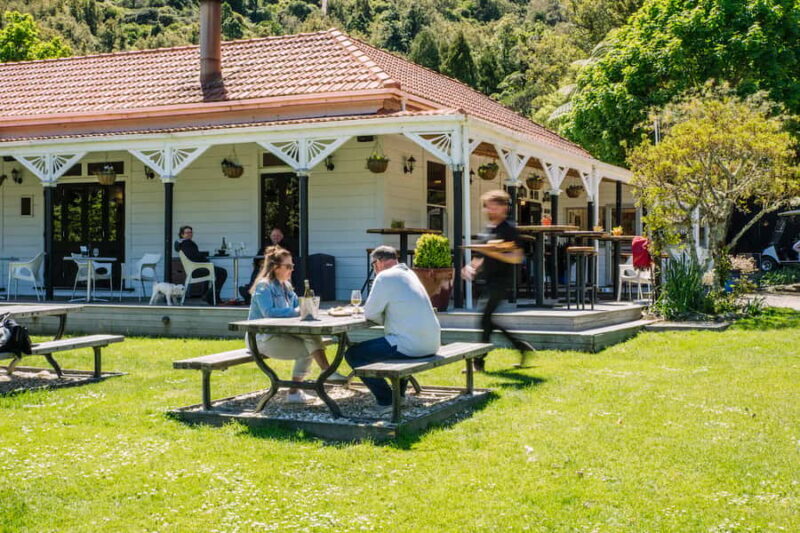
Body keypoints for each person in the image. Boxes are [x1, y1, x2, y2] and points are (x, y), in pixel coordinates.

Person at [345, 246, 441, 415]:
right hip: (432, 343)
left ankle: (386, 400)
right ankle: (400, 395)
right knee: (390, 344)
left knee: (354, 354)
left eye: (373, 265)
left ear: (378, 262)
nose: (374, 269)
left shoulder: (385, 277)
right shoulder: (409, 274)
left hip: (410, 345)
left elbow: (370, 313)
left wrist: (385, 318)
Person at [248, 245, 347, 404]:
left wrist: (310, 309)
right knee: (311, 348)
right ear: (275, 267)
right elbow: (268, 312)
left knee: (312, 338)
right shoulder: (263, 286)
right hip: (262, 338)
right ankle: (315, 380)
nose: (292, 269)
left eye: (292, 265)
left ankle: (318, 378)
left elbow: (299, 307)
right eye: (288, 266)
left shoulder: (286, 286)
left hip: (283, 332)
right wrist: (298, 311)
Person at [463, 189, 535, 371]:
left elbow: (517, 257)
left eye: (494, 207)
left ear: (504, 208)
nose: (490, 210)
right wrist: (471, 267)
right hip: (487, 280)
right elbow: (480, 255)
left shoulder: (509, 229)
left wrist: (496, 253)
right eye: (488, 207)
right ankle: (521, 347)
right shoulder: (488, 230)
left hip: (502, 280)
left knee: (484, 319)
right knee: (487, 320)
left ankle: (479, 362)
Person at [174, 225, 227, 305]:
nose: (189, 234)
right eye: (187, 232)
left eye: (191, 232)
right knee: (222, 272)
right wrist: (206, 260)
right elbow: (194, 257)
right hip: (197, 270)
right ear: (182, 234)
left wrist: (205, 260)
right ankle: (210, 296)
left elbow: (194, 255)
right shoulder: (187, 243)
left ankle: (208, 295)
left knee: (215, 270)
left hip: (193, 269)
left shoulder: (182, 244)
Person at [239, 228, 294, 303]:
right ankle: (250, 291)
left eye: (278, 235)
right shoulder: (266, 246)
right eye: (274, 235)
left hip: (279, 268)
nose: (276, 237)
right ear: (271, 237)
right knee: (257, 271)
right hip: (266, 268)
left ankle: (250, 292)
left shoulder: (285, 247)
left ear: (282, 237)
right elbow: (256, 259)